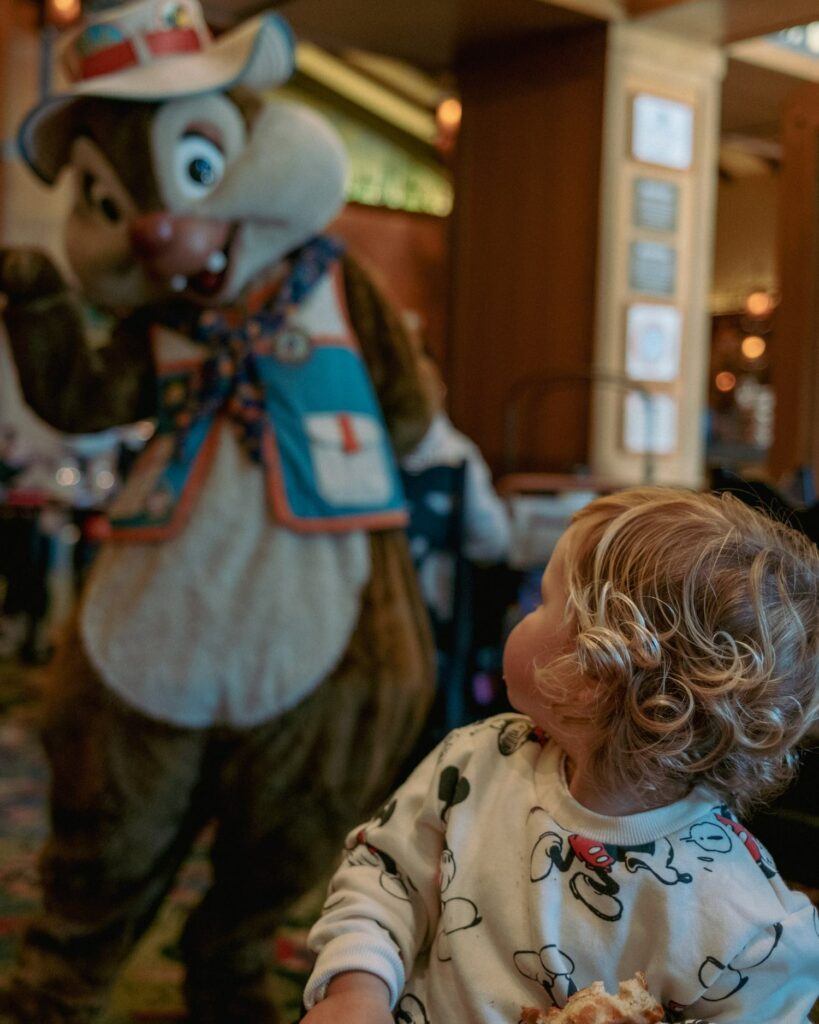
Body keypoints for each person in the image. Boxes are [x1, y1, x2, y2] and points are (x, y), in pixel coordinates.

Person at [300, 486, 819, 1024]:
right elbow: (384, 877)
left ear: (594, 675)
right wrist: (356, 989)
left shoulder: (744, 925)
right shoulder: (473, 763)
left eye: (541, 601)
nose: (521, 615)